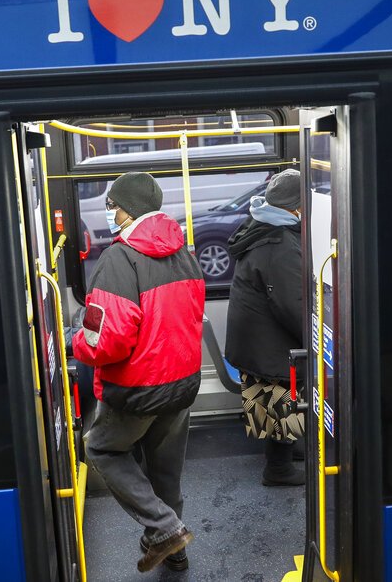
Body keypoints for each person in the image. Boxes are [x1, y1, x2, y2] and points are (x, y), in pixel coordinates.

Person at [72, 171, 205, 572]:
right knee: (165, 471)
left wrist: (77, 339)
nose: (109, 212)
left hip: (139, 388)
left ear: (127, 209)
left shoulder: (119, 258)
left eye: (112, 205)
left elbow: (106, 340)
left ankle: (165, 529)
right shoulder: (184, 252)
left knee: (101, 448)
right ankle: (174, 550)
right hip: (182, 382)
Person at [224, 169, 306, 486]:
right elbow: (292, 304)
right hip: (264, 339)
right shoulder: (281, 244)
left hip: (253, 332)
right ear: (295, 206)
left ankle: (288, 447)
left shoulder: (262, 224)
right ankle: (278, 469)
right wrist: (317, 340)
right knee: (279, 393)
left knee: (275, 397)